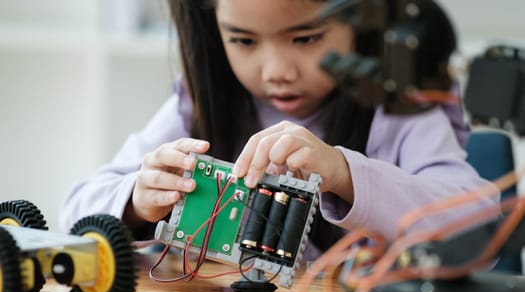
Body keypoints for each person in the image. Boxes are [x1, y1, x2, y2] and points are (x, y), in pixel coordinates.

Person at [59, 0, 498, 259]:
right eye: (244, 41)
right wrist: (137, 201)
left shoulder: (402, 109)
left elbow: (476, 225)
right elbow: (75, 210)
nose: (276, 72)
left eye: (306, 38)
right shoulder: (199, 104)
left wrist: (344, 174)